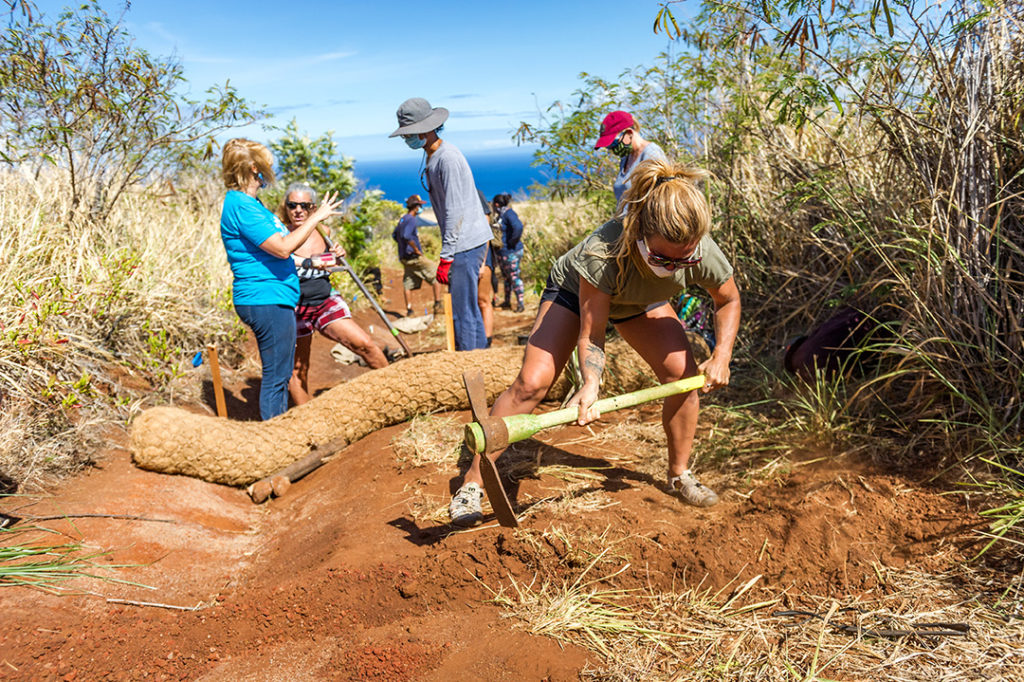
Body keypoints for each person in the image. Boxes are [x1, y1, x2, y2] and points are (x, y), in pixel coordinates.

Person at [447, 159, 742, 526]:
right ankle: (472, 481)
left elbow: (727, 300)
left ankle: (679, 474)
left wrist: (722, 355)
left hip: (641, 299)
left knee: (681, 378)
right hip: (576, 293)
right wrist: (591, 384)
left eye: (685, 260)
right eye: (661, 258)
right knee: (532, 383)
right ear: (639, 233)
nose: (675, 267)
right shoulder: (603, 251)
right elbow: (592, 330)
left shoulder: (699, 251)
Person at [218, 139, 342, 420]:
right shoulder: (243, 206)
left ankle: (278, 436)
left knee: (280, 372)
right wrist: (317, 216)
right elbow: (282, 247)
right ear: (254, 168)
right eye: (268, 163)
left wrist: (313, 261)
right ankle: (275, 443)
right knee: (277, 377)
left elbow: (276, 255)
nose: (272, 169)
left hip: (273, 296)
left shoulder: (250, 204)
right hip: (265, 298)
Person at [389, 97, 491, 350]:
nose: (406, 139)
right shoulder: (433, 157)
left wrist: (446, 257)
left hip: (465, 245)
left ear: (426, 128)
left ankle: (470, 369)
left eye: (409, 134)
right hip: (465, 244)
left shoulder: (447, 158)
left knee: (462, 312)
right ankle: (479, 359)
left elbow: (454, 211)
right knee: (467, 308)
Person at [280, 183, 389, 406]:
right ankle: (310, 423)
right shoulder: (280, 235)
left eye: (304, 205)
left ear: (313, 208)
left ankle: (393, 391)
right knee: (298, 368)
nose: (298, 210)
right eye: (293, 205)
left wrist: (336, 256)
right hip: (294, 307)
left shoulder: (324, 232)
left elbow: (329, 265)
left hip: (324, 301)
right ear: (286, 207)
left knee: (364, 344)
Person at [594, 110, 668, 208]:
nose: (612, 149)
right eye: (608, 147)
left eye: (613, 144)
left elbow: (661, 200)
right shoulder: (626, 157)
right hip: (623, 220)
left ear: (629, 133)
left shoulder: (651, 154)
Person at [393, 194, 443, 317]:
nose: (421, 208)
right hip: (414, 257)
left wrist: (402, 247)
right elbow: (406, 236)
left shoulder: (403, 219)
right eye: (420, 205)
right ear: (415, 207)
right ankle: (438, 304)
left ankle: (409, 310)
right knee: (437, 274)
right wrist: (415, 249)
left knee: (408, 283)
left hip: (404, 258)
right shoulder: (411, 219)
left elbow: (395, 235)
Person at [491, 193, 526, 313]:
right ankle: (507, 301)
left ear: (496, 204)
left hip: (511, 251)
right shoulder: (502, 214)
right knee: (507, 278)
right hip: (504, 252)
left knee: (514, 276)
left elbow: (518, 227)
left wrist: (512, 242)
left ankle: (520, 304)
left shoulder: (508, 214)